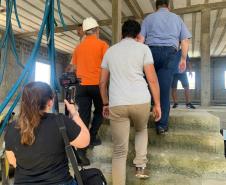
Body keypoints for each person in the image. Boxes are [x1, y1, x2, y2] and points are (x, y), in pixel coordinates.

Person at [100, 20, 161, 185]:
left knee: (119, 150)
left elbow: (103, 83)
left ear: (122, 33)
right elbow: (152, 80)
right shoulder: (143, 49)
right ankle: (140, 167)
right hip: (141, 101)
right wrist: (157, 104)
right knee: (141, 130)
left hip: (117, 103)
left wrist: (105, 103)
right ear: (138, 35)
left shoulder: (110, 51)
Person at [4, 81, 90, 185]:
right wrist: (74, 114)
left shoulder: (12, 127)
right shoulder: (60, 122)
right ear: (50, 102)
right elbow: (85, 141)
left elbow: (13, 162)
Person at [139, 0, 192, 135]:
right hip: (170, 54)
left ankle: (143, 121)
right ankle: (161, 125)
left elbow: (140, 39)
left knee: (149, 85)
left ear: (156, 7)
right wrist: (183, 59)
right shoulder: (176, 18)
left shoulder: (149, 18)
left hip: (151, 53)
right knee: (163, 89)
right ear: (168, 6)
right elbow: (185, 40)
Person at [69, 17, 109, 165]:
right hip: (97, 85)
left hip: (81, 86)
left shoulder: (78, 48)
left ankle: (81, 153)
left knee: (84, 117)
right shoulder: (103, 45)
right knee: (101, 110)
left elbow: (73, 67)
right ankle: (92, 136)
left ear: (85, 32)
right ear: (97, 30)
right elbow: (107, 66)